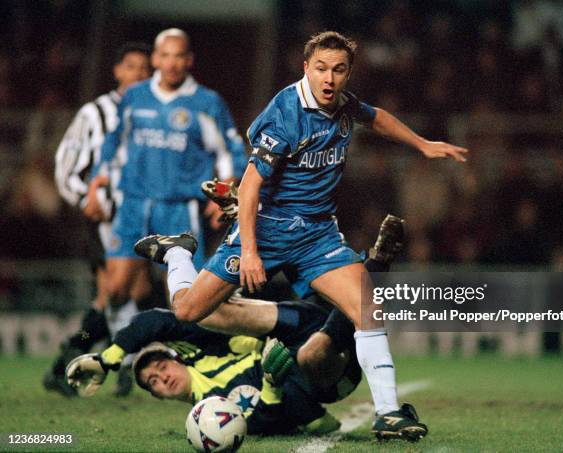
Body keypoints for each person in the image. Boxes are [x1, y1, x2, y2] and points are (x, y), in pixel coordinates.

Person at [138, 31, 467, 440]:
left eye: (339, 70)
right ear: (306, 69)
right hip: (266, 229)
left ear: (348, 73)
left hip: (316, 236)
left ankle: (389, 414)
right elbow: (251, 187)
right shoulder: (286, 114)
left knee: (367, 308)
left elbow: (375, 116)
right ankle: (177, 254)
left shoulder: (342, 103)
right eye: (321, 69)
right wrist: (253, 254)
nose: (329, 79)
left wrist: (421, 144)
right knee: (188, 311)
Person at [66, 216, 417, 436]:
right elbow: (291, 414)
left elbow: (153, 321)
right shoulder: (215, 404)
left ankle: (179, 253)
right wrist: (271, 385)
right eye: (154, 382)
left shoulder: (203, 350)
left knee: (204, 312)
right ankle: (375, 266)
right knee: (312, 354)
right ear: (158, 396)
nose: (162, 376)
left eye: (160, 366)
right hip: (324, 374)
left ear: (176, 357)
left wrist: (106, 359)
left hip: (292, 324)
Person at [86, 29, 247, 332]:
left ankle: (190, 354)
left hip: (178, 208)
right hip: (133, 203)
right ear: (156, 58)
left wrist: (225, 195)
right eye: (166, 55)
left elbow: (230, 153)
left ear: (189, 61)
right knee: (116, 289)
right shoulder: (135, 96)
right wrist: (97, 182)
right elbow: (113, 144)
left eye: (179, 56)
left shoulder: (207, 102)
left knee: (187, 295)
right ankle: (127, 360)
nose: (172, 63)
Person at [45, 42, 152, 397]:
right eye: (132, 66)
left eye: (144, 67)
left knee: (135, 292)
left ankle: (103, 361)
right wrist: (83, 199)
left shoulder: (153, 113)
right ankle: (82, 362)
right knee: (114, 294)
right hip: (107, 218)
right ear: (117, 71)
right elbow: (66, 161)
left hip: (140, 216)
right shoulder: (95, 114)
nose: (138, 73)